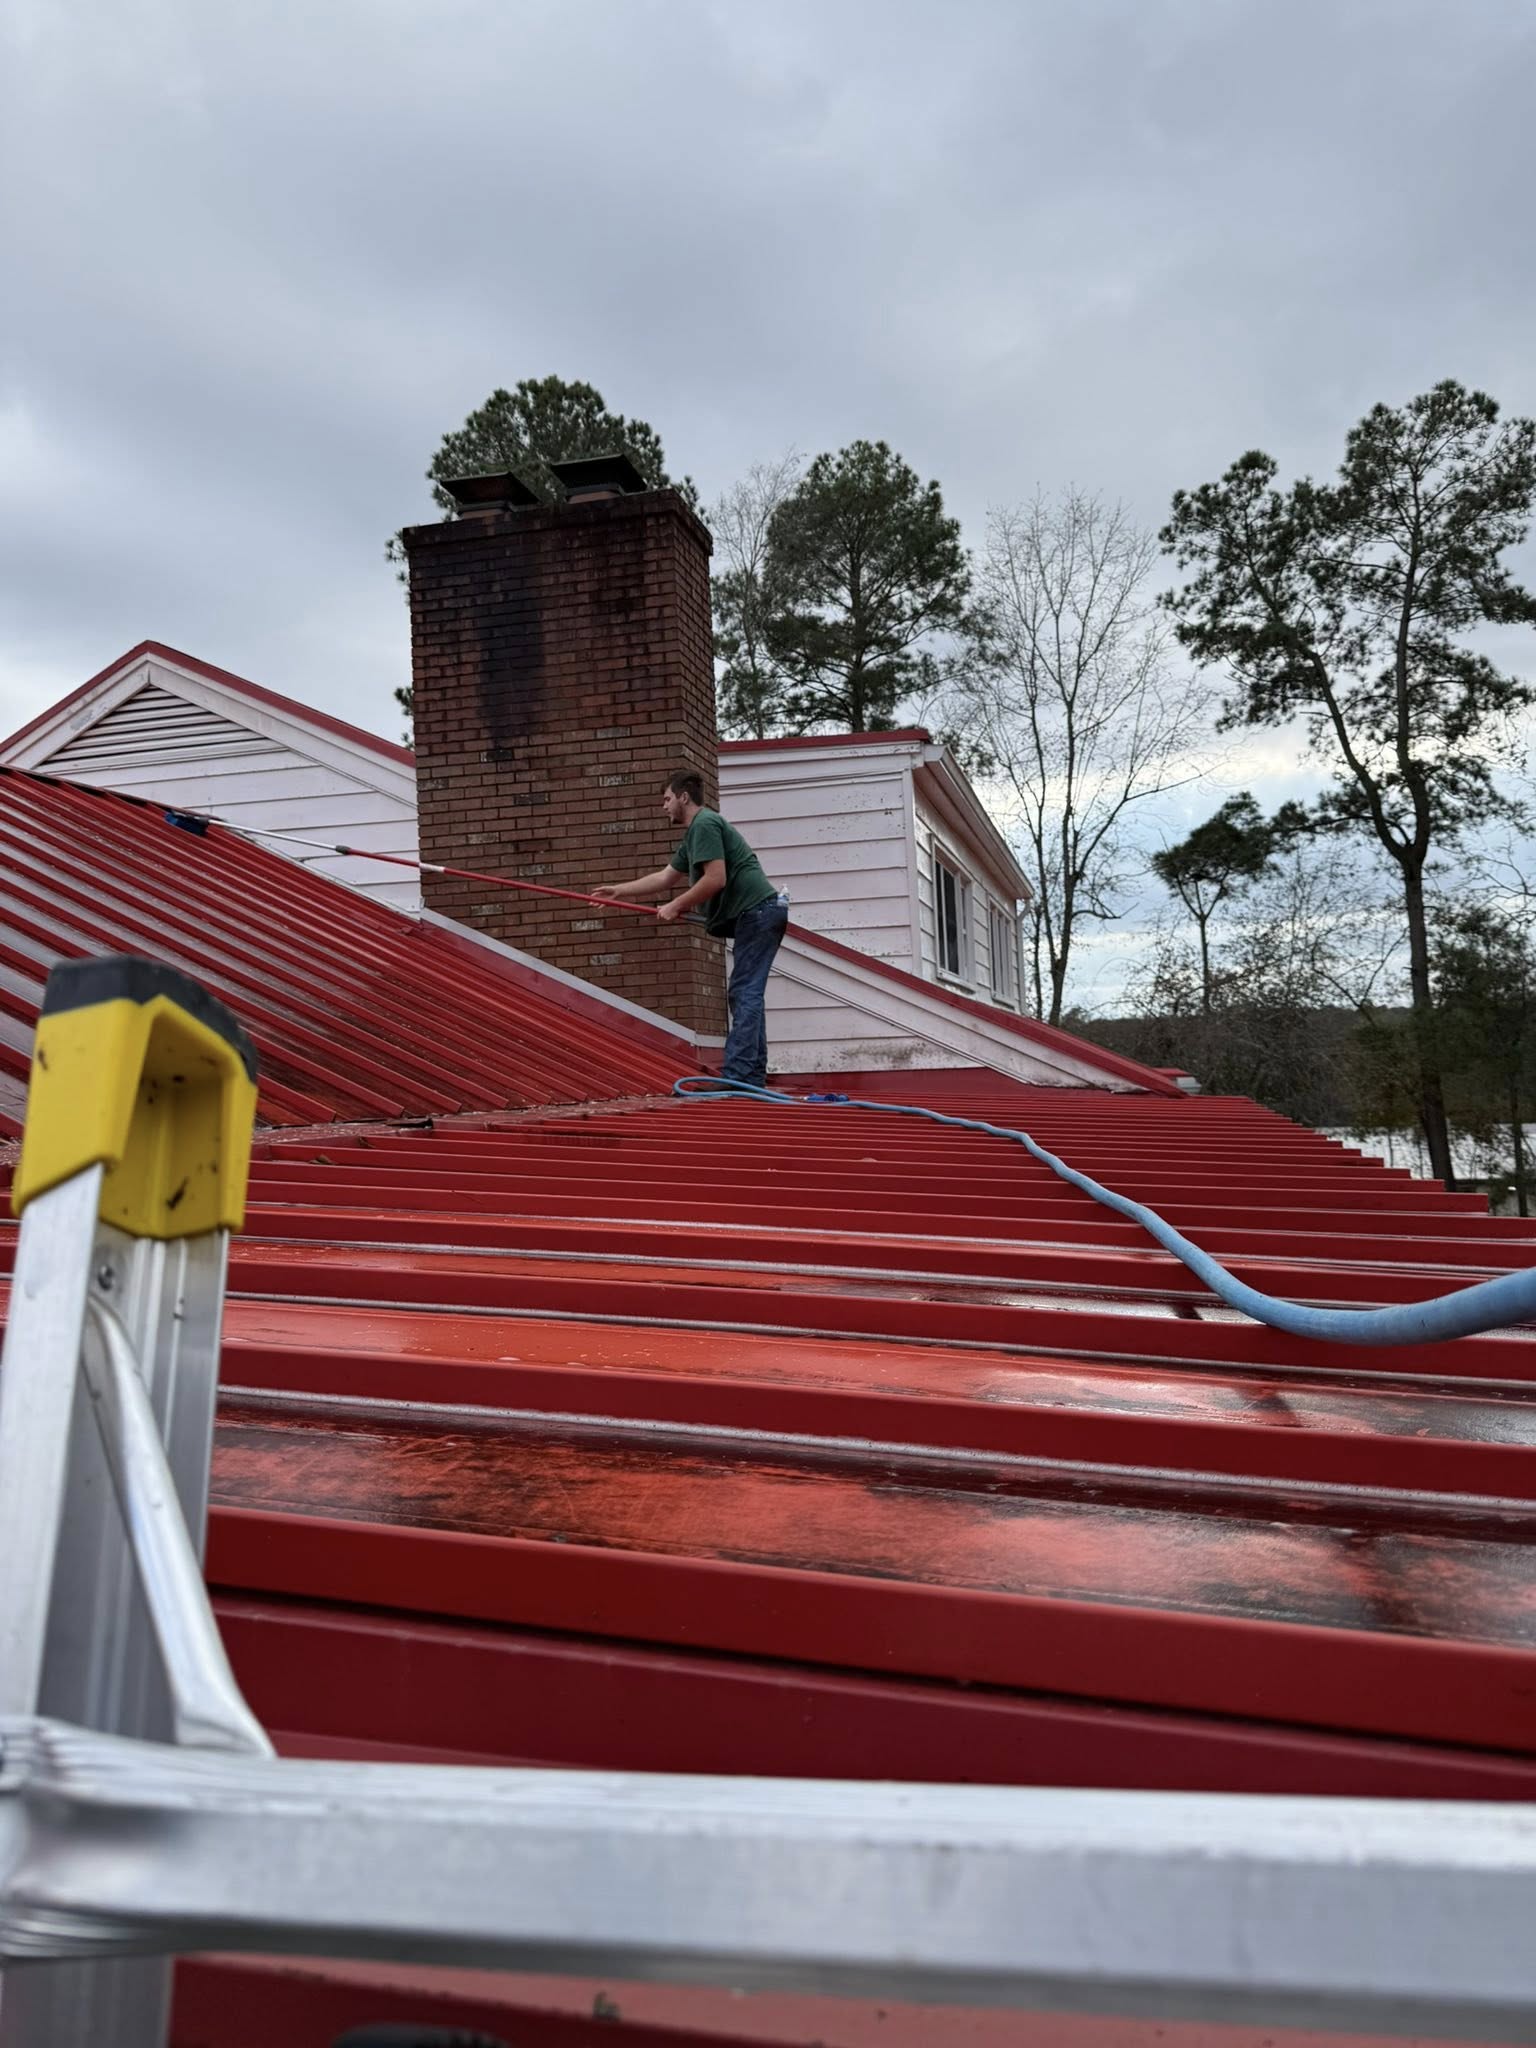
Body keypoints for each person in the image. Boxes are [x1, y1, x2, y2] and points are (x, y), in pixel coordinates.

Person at [594, 770, 788, 1087]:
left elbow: (716, 879)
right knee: (746, 992)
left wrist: (676, 905)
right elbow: (665, 877)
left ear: (684, 797)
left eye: (667, 799)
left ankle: (740, 1075)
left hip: (758, 912)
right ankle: (750, 1075)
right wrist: (619, 890)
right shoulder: (694, 835)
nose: (664, 807)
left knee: (745, 992)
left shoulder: (705, 824)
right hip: (759, 914)